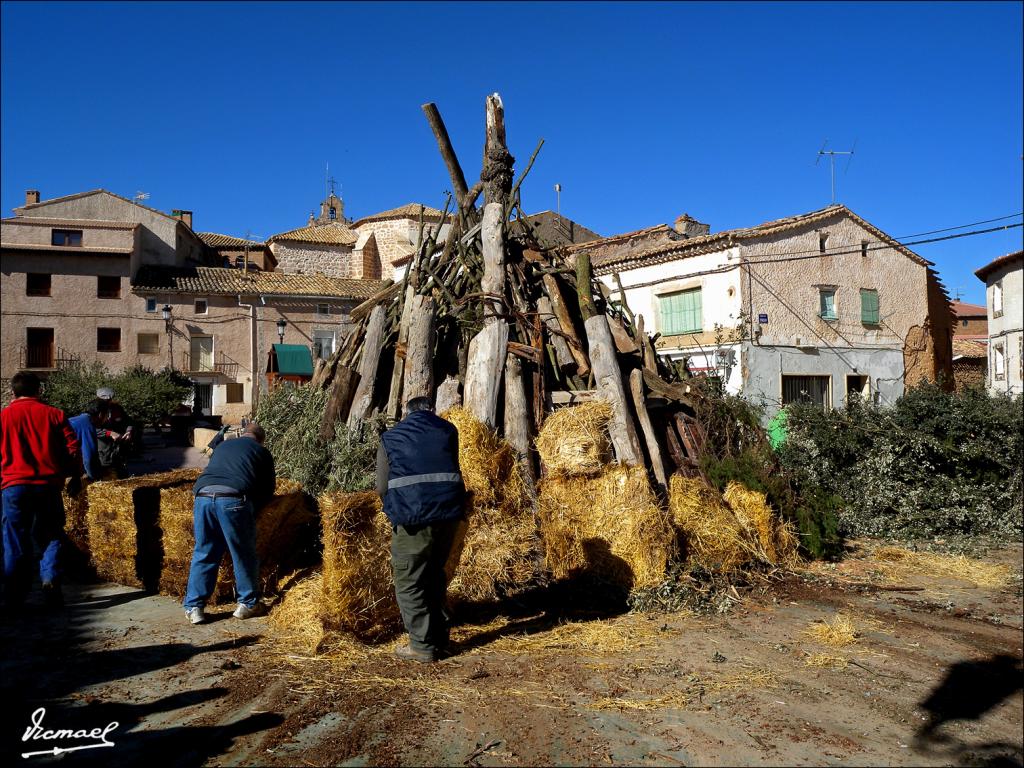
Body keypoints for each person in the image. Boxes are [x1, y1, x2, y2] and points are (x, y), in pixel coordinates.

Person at [376, 396, 466, 662]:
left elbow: (382, 486)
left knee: (409, 581)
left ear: (407, 412)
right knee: (434, 575)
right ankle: (439, 637)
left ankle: (421, 646)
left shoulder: (391, 437)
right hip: (449, 515)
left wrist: (393, 508)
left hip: (414, 517)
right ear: (432, 410)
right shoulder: (448, 430)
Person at [183, 422, 275, 624]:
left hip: (203, 496)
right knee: (242, 552)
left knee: (204, 551)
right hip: (233, 498)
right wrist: (254, 509)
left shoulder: (223, 446)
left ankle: (194, 607)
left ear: (243, 434)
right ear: (261, 439)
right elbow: (268, 490)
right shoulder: (261, 451)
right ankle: (248, 603)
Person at [1, 372, 80, 608]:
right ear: (39, 390)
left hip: (13, 486)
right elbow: (73, 448)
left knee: (15, 539)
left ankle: (15, 593)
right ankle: (50, 580)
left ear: (13, 392)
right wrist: (74, 476)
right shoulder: (54, 415)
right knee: (52, 533)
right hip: (48, 486)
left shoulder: (3, 417)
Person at [67, 399, 110, 486]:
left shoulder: (76, 420)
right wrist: (95, 479)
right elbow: (89, 457)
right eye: (107, 415)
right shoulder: (87, 424)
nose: (107, 419)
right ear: (100, 414)